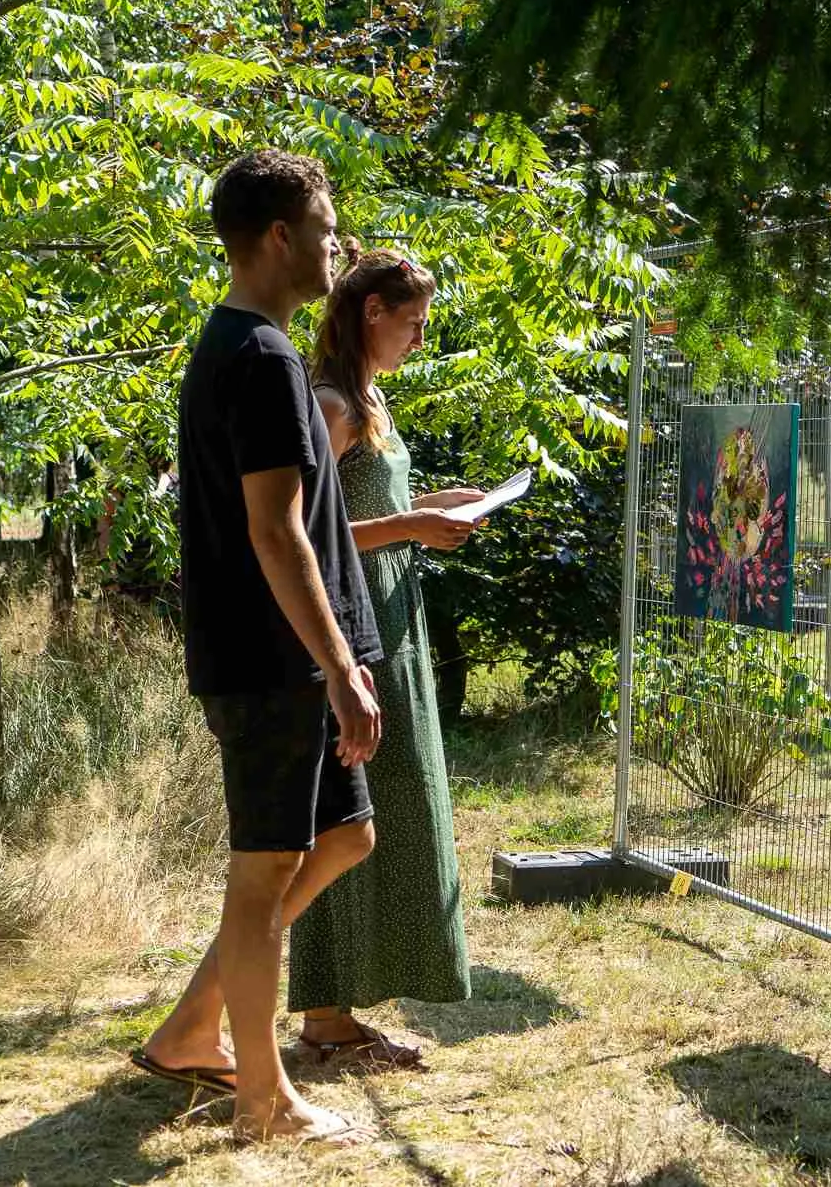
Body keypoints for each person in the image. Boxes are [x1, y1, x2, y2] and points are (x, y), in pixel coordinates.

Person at [133, 149, 383, 1147]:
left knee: (344, 836)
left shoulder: (243, 346)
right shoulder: (264, 359)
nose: (336, 247)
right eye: (325, 230)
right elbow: (274, 533)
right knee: (261, 871)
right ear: (279, 238)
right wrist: (335, 666)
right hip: (272, 666)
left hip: (285, 661)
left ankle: (198, 1028)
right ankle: (263, 1102)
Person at [287, 248, 485, 1068]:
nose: (419, 338)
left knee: (398, 815)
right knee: (351, 817)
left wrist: (443, 505)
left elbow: (377, 504)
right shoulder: (330, 403)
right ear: (373, 314)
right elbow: (301, 533)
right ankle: (325, 1013)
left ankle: (345, 1005)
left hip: (396, 626)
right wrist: (409, 529)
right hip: (354, 634)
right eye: (413, 322)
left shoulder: (373, 402)